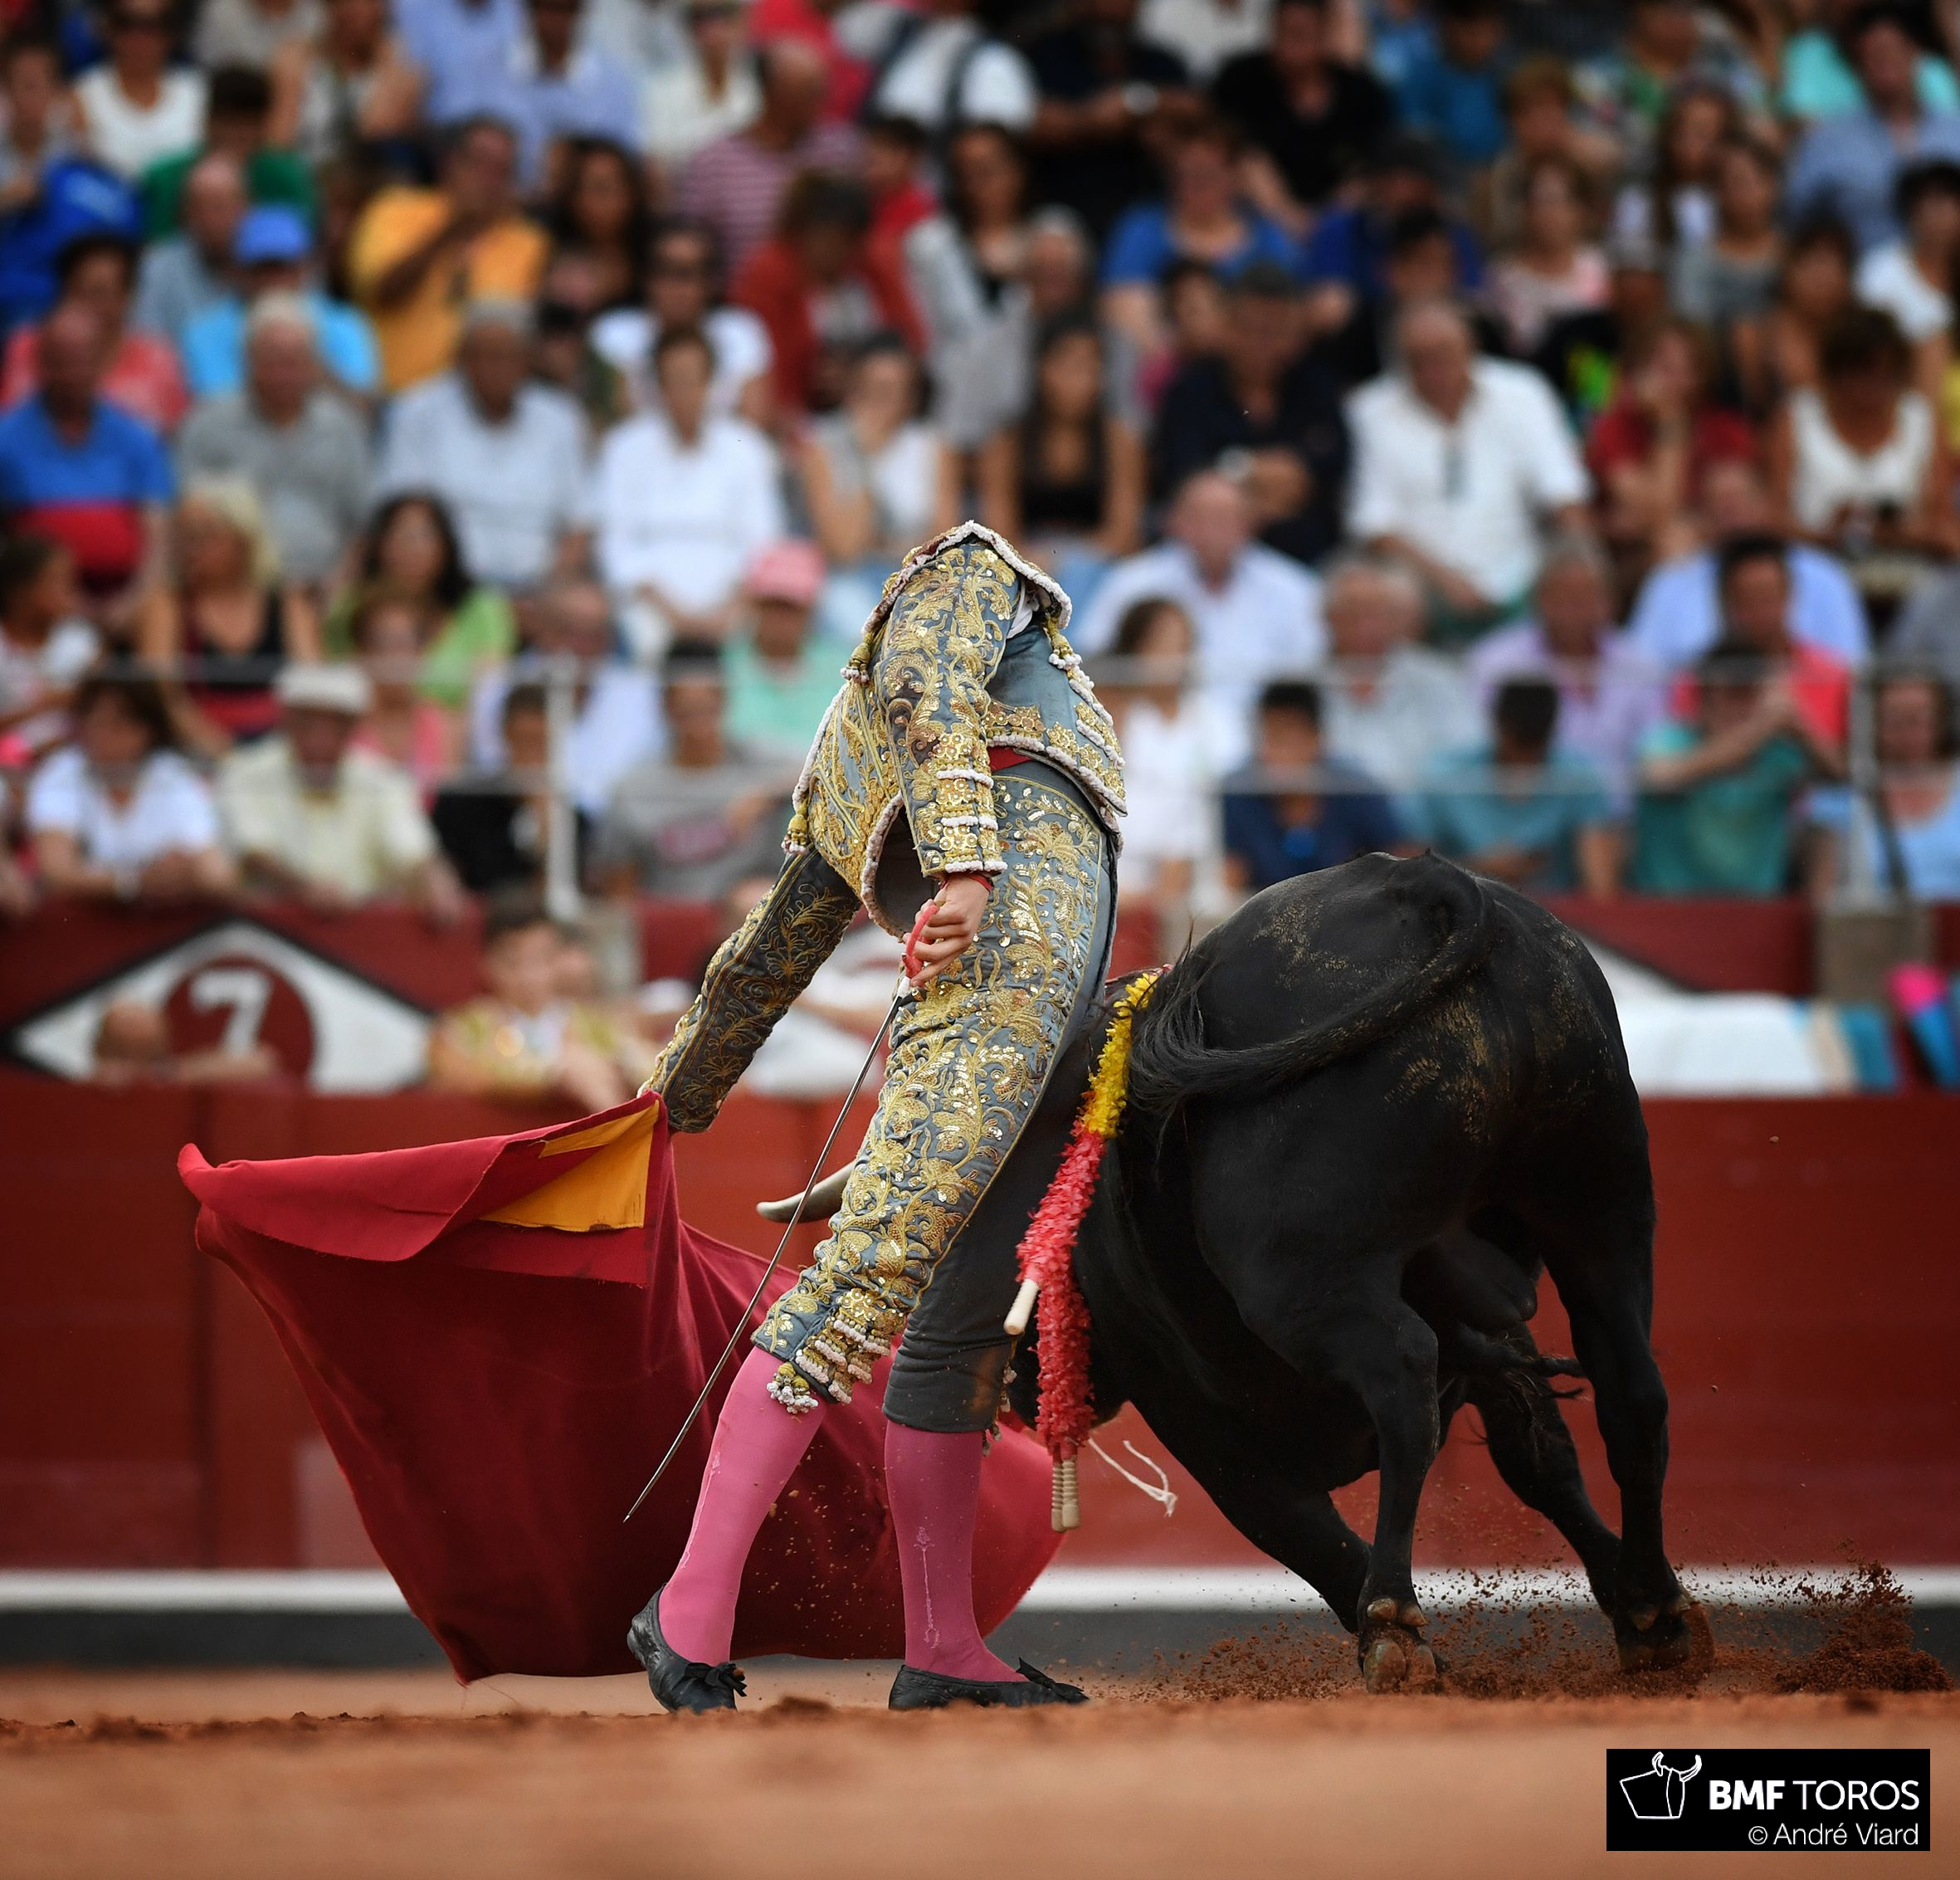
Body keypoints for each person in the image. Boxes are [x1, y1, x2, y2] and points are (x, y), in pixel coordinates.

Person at [624, 524, 1120, 1715]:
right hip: (1001, 974)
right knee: (864, 1283)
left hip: (1051, 1013)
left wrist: (666, 1104)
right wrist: (964, 871)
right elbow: (921, 683)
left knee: (950, 1333)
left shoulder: (844, 763)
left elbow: (764, 958)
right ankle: (687, 1609)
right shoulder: (961, 571)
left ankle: (942, 1644)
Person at [1344, 297, 1590, 635]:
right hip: (1419, 583)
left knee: (1579, 577)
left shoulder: (1523, 393)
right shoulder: (1370, 410)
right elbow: (1374, 524)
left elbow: (1563, 491)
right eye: (1418, 359)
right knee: (1379, 592)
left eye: (1443, 352)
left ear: (1471, 346)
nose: (1432, 368)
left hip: (1522, 573)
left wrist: (1575, 560)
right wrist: (1447, 582)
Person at [1076, 467, 1325, 762]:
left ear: (1250, 522)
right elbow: (1093, 667)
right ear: (1175, 521)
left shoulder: (1294, 589)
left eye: (1226, 517)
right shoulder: (1132, 582)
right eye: (1201, 517)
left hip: (1266, 755)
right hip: (1148, 740)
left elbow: (1311, 677)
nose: (1214, 529)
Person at [593, 325, 787, 659]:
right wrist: (675, 616)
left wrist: (728, 610)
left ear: (712, 383)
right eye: (674, 380)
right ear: (657, 386)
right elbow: (617, 545)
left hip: (733, 610)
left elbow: (765, 544)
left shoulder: (748, 449)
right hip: (648, 609)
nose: (685, 391)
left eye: (694, 379)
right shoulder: (623, 448)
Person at [218, 661, 466, 917]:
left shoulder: (382, 780)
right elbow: (252, 851)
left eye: (335, 724)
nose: (319, 739)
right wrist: (304, 890)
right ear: (287, 721)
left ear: (352, 728)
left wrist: (434, 881)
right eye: (308, 722)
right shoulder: (244, 775)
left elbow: (413, 851)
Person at [378, 299, 592, 592]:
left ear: (527, 359)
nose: (493, 367)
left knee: (589, 612)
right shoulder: (416, 413)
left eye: (505, 356)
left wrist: (550, 590)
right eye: (481, 355)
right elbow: (404, 514)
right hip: (447, 588)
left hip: (537, 587)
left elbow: (579, 525)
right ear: (460, 358)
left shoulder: (561, 419)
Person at [1151, 261, 1348, 563]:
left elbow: (1328, 474)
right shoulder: (1189, 391)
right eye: (1250, 328)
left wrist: (1233, 479)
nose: (1261, 344)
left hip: (1309, 557)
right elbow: (1184, 477)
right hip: (1209, 556)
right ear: (1227, 325)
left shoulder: (1317, 388)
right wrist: (1247, 472)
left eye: (1275, 331)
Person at [177, 294, 373, 588]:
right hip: (235, 589)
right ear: (247, 359)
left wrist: (336, 587)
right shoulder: (207, 426)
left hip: (324, 583)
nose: (284, 373)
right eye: (272, 360)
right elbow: (186, 518)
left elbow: (362, 527)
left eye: (295, 360)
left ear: (314, 364)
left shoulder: (343, 428)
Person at [0, 302, 173, 628]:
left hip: (127, 598)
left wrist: (130, 604)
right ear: (41, 363)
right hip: (33, 602)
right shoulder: (6, 438)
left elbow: (158, 539)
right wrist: (58, 599)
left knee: (162, 610)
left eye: (82, 361)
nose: (72, 375)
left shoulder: (137, 436)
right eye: (61, 362)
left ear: (101, 363)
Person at [348, 115, 549, 393]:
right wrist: (450, 230)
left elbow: (527, 335)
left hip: (486, 410)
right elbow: (380, 291)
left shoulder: (529, 242)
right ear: (450, 163)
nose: (489, 179)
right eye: (479, 163)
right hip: (395, 396)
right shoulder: (396, 209)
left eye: (502, 169)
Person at [1631, 633, 1842, 894]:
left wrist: (1798, 723)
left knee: (1826, 834)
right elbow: (1659, 778)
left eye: (1751, 692)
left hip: (1755, 917)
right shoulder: (1665, 740)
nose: (1742, 705)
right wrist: (1763, 725)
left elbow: (1840, 775)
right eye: (1733, 692)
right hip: (1666, 913)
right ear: (1704, 696)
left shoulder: (1776, 754)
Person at [1470, 535, 1665, 810]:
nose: (1575, 608)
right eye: (1563, 596)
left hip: (1630, 820)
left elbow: (1657, 748)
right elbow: (1488, 752)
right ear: (1538, 599)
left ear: (1610, 600)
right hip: (1533, 817)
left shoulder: (1641, 664)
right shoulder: (1496, 662)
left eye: (1587, 595)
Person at [1626, 457, 1870, 671]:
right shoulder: (1670, 581)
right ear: (1702, 513)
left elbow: (1852, 668)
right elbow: (1643, 674)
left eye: (1740, 500)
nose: (1731, 513)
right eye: (1719, 504)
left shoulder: (1826, 577)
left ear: (1765, 502)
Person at [139, 476, 319, 752]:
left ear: (243, 540)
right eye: (184, 537)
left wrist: (273, 755)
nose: (190, 549)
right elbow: (164, 696)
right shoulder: (168, 605)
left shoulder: (289, 605)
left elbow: (310, 686)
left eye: (202, 536)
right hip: (193, 752)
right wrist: (222, 752)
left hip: (282, 750)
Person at [594, 640, 787, 898]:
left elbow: (828, 764)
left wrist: (765, 794)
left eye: (707, 710)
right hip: (671, 919)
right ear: (665, 707)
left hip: (752, 913)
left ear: (724, 700)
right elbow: (619, 889)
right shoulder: (634, 789)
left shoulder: (758, 760)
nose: (698, 725)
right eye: (688, 712)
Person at [1769, 304, 1957, 565]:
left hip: (1909, 570)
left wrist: (1896, 532)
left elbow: (1941, 519)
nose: (1869, 390)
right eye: (1859, 376)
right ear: (1833, 375)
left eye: (1885, 376)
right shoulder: (1796, 418)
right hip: (1816, 566)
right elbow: (1775, 519)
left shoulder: (1920, 419)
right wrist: (1826, 534)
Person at [26, 667, 234, 902]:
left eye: (117, 724)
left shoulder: (172, 775)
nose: (102, 735)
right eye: (95, 721)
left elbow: (217, 874)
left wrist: (184, 873)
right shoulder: (61, 773)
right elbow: (56, 873)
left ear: (147, 730)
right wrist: (135, 882)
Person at [976, 313, 1143, 598]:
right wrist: (1037, 563)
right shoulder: (1007, 442)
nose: (1083, 380)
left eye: (1093, 368)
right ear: (1042, 369)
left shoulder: (1119, 440)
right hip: (1025, 570)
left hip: (1100, 571)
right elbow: (999, 531)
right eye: (1071, 367)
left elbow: (1125, 532)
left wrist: (1072, 561)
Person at [1099, 115, 1298, 351]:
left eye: (1207, 175)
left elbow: (1290, 318)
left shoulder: (1269, 236)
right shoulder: (1141, 228)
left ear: (1234, 176)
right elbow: (1122, 315)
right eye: (1186, 175)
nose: (1196, 186)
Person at [731, 170, 923, 416]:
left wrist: (858, 377)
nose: (834, 250)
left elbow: (911, 342)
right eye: (825, 237)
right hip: (796, 414)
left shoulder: (870, 265)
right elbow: (762, 370)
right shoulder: (769, 273)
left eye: (844, 240)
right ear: (801, 232)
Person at [465, 575, 658, 815]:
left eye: (595, 634)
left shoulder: (641, 693)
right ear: (542, 628)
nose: (582, 647)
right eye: (570, 632)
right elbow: (491, 767)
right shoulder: (498, 687)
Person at [428, 889, 637, 1107]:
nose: (530, 977)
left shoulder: (596, 1025)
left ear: (557, 959)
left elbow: (643, 1064)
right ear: (488, 963)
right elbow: (458, 1073)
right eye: (514, 962)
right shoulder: (461, 1029)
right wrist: (554, 1074)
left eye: (541, 959)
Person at [1409, 677, 1619, 895]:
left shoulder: (1579, 777)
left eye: (1535, 747)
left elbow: (1601, 888)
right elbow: (1411, 870)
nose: (1523, 762)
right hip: (1458, 908)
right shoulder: (1444, 775)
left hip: (1557, 916)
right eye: (1518, 744)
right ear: (1497, 724)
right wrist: (1479, 869)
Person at [1785, 1, 1960, 254]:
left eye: (1893, 51)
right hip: (1859, 285)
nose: (1885, 63)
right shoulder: (1825, 141)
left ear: (1916, 53)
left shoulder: (1954, 130)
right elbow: (1796, 220)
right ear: (1858, 64)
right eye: (1874, 55)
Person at [1584, 318, 1758, 571]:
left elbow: (1740, 509)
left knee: (1676, 540)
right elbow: (1657, 512)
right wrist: (1669, 426)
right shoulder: (1615, 427)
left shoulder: (1726, 429)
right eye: (1664, 367)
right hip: (1627, 560)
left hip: (1706, 546)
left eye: (1688, 368)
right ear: (1637, 370)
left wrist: (1694, 526)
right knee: (1671, 543)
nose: (1675, 380)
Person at [1209, 0, 1392, 237]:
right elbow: (1231, 152)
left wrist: (1324, 220)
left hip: (1341, 219)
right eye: (1282, 33)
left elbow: (1371, 168)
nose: (1289, 46)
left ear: (1325, 35)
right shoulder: (1240, 81)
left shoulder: (1363, 94)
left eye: (1300, 35)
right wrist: (1289, 216)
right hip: (1258, 216)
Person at [678, 40, 859, 276]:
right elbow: (689, 247)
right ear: (773, 94)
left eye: (821, 91)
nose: (822, 102)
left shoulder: (841, 151)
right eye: (808, 93)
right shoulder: (714, 162)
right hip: (739, 298)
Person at [799, 334, 958, 598]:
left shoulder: (932, 447)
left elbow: (946, 541)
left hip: (918, 578)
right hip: (849, 581)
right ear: (853, 391)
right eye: (874, 390)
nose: (883, 403)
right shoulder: (823, 446)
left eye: (895, 392)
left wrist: (887, 546)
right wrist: (867, 459)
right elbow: (843, 550)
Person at [329, 492, 516, 710]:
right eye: (400, 533)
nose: (412, 546)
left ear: (447, 542)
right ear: (379, 543)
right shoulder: (351, 606)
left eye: (423, 534)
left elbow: (491, 693)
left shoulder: (483, 606)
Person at [1025, 0, 1193, 240]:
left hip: (1153, 212)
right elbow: (1029, 120)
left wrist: (1139, 101)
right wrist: (1089, 121)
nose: (1108, 9)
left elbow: (1197, 109)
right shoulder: (1046, 56)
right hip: (1063, 211)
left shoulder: (1160, 61)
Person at [179, 203, 381, 403]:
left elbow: (364, 408)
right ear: (238, 272)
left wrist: (310, 366)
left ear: (305, 268)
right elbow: (214, 409)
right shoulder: (204, 332)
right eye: (262, 268)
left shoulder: (343, 323)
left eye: (284, 267)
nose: (274, 280)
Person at [1315, 553, 1477, 797]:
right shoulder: (1299, 686)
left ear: (1396, 619)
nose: (1365, 625)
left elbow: (1467, 761)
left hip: (1421, 824)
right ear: (1328, 618)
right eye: (1352, 612)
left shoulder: (1439, 679)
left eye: (1375, 613)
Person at [1096, 595, 1219, 916]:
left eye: (1180, 645)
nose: (1171, 658)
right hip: (1117, 878)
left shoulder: (1215, 721)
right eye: (1160, 645)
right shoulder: (1119, 719)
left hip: (1188, 878)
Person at [588, 216, 773, 422]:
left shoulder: (740, 331)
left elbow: (753, 427)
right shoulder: (614, 333)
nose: (678, 287)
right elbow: (611, 425)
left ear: (711, 281)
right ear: (646, 277)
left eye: (690, 273)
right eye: (666, 271)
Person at [1221, 677, 1400, 891]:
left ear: (1317, 739)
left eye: (1288, 739)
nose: (1276, 753)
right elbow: (1231, 882)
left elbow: (1401, 861)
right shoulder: (1239, 792)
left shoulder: (1356, 788)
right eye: (1269, 739)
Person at [2, 231, 188, 433]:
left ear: (127, 296)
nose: (91, 305)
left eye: (102, 293)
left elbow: (174, 438)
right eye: (81, 291)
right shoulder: (26, 347)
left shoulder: (159, 359)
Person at [1811, 667, 1960, 896]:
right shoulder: (1840, 797)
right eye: (1894, 720)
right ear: (1868, 723)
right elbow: (1822, 902)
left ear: (1941, 722)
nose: (1906, 733)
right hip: (1876, 929)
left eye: (1917, 719)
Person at [433, 679, 588, 891]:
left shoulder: (573, 821)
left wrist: (548, 832)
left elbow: (559, 895)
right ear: (506, 735)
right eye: (523, 740)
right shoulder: (460, 803)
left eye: (541, 742)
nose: (532, 755)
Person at [136, 62, 317, 240]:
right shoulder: (166, 178)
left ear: (264, 127)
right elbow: (158, 247)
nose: (239, 137)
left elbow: (304, 245)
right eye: (230, 125)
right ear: (208, 122)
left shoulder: (287, 179)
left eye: (249, 127)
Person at [724, 540, 851, 762]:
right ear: (755, 604)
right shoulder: (723, 663)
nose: (781, 617)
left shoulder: (842, 668)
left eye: (792, 606)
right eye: (773, 604)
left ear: (811, 609)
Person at [842, 0, 1039, 142]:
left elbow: (996, 143)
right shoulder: (898, 27)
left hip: (935, 190)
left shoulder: (992, 59)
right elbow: (847, 37)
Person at [1670, 135, 1783, 378]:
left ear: (1775, 186)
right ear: (1717, 193)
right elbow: (1693, 336)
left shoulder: (1794, 255)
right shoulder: (1696, 262)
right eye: (1738, 183)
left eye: (1759, 180)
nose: (1750, 194)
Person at [269, 0, 424, 168]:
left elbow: (374, 133)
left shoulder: (402, 67)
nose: (353, 11)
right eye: (343, 3)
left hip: (367, 177)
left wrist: (385, 60)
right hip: (301, 177)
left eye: (366, 3)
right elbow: (278, 141)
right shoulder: (295, 57)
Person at [1482, 154, 1609, 359]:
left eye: (1559, 200)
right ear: (1525, 209)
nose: (1550, 213)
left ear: (1582, 210)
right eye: (1540, 201)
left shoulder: (1601, 269)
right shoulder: (1502, 276)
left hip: (1589, 385)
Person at [1855, 157, 1960, 396]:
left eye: (1950, 202)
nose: (1941, 213)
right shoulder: (1880, 271)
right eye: (1931, 203)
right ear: (1910, 212)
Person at [72, 0, 207, 180]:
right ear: (107, 28)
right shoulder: (82, 96)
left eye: (153, 25)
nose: (138, 37)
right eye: (125, 23)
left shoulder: (198, 92)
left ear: (172, 32)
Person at [347, 586, 459, 794]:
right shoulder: (344, 728)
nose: (394, 656)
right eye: (381, 643)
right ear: (360, 653)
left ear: (423, 652)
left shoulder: (445, 726)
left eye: (404, 642)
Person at [131, 151, 246, 350]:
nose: (211, 219)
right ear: (186, 213)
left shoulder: (268, 260)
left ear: (244, 207)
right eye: (200, 208)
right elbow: (146, 343)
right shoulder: (156, 266)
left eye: (221, 206)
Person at [0, 535, 100, 759]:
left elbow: (101, 710)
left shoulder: (81, 640)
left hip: (73, 759)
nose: (70, 592)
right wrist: (49, 704)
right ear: (19, 591)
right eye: (57, 580)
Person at [1392, 0, 1510, 183]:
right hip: (1439, 179)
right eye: (1473, 32)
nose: (1481, 40)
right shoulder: (1422, 75)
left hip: (1498, 174)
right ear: (1451, 28)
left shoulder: (1506, 75)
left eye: (1489, 31)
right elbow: (1414, 133)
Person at [641, 0, 761, 180]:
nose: (713, 27)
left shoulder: (759, 87)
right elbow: (657, 168)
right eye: (700, 18)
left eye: (724, 14)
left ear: (741, 21)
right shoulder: (662, 90)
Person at [544, 137, 650, 316]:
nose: (588, 200)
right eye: (579, 189)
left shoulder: (657, 254)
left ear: (631, 193)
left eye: (602, 189)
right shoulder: (546, 250)